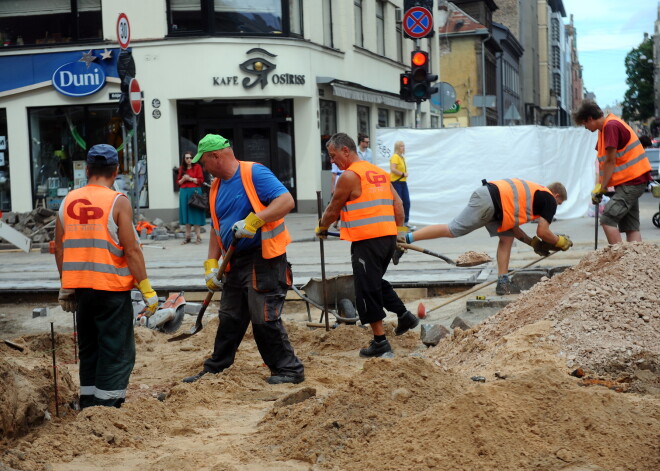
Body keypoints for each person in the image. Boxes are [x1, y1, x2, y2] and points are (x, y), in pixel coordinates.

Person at [182, 134, 304, 385]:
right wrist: (211, 265)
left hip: (264, 258)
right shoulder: (216, 186)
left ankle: (289, 370)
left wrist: (255, 220)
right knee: (230, 317)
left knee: (264, 317)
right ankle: (217, 368)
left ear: (216, 156)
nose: (203, 168)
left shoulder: (254, 173)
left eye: (204, 162)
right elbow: (217, 229)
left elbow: (286, 201)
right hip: (234, 261)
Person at [54, 144, 158, 409]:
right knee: (117, 350)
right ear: (116, 171)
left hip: (82, 291)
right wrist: (146, 289)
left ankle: (88, 401)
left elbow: (60, 248)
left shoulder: (67, 201)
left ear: (87, 170)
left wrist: (66, 286)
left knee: (89, 348)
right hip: (111, 290)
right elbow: (132, 250)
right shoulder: (117, 201)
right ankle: (106, 408)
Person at [316, 133, 419, 358]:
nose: (332, 161)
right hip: (387, 239)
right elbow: (398, 205)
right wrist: (399, 236)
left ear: (346, 150)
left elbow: (333, 208)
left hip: (367, 241)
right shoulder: (379, 173)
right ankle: (404, 316)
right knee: (373, 282)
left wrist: (322, 227)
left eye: (333, 156)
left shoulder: (349, 176)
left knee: (366, 288)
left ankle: (380, 341)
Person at [402, 179, 572, 295]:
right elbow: (543, 232)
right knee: (453, 230)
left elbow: (514, 228)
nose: (556, 207)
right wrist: (560, 241)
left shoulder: (534, 195)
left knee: (507, 238)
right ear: (556, 196)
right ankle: (405, 239)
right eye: (559, 204)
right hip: (490, 200)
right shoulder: (549, 199)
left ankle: (502, 282)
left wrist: (533, 243)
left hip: (495, 203)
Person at [573, 100, 653, 244]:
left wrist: (602, 188)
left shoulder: (611, 126)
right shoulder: (605, 129)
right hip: (632, 181)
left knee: (608, 218)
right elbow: (603, 163)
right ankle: (634, 261)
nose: (585, 127)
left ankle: (619, 259)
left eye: (584, 123)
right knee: (631, 226)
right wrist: (600, 186)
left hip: (632, 181)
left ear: (590, 118)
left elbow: (610, 161)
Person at [177, 150, 206, 244]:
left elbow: (201, 180)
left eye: (190, 157)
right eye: (187, 158)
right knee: (186, 214)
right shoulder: (182, 168)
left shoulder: (197, 167)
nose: (189, 159)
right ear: (184, 159)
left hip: (194, 192)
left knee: (195, 213)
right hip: (184, 192)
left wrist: (190, 179)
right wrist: (183, 179)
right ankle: (187, 236)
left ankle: (198, 236)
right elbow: (178, 182)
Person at [389, 140, 414, 230]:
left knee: (406, 202)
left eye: (403, 146)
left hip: (403, 182)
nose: (403, 148)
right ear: (397, 147)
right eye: (401, 146)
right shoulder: (395, 157)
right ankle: (398, 223)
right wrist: (403, 174)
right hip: (396, 182)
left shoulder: (402, 158)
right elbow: (393, 169)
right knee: (399, 203)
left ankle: (405, 222)